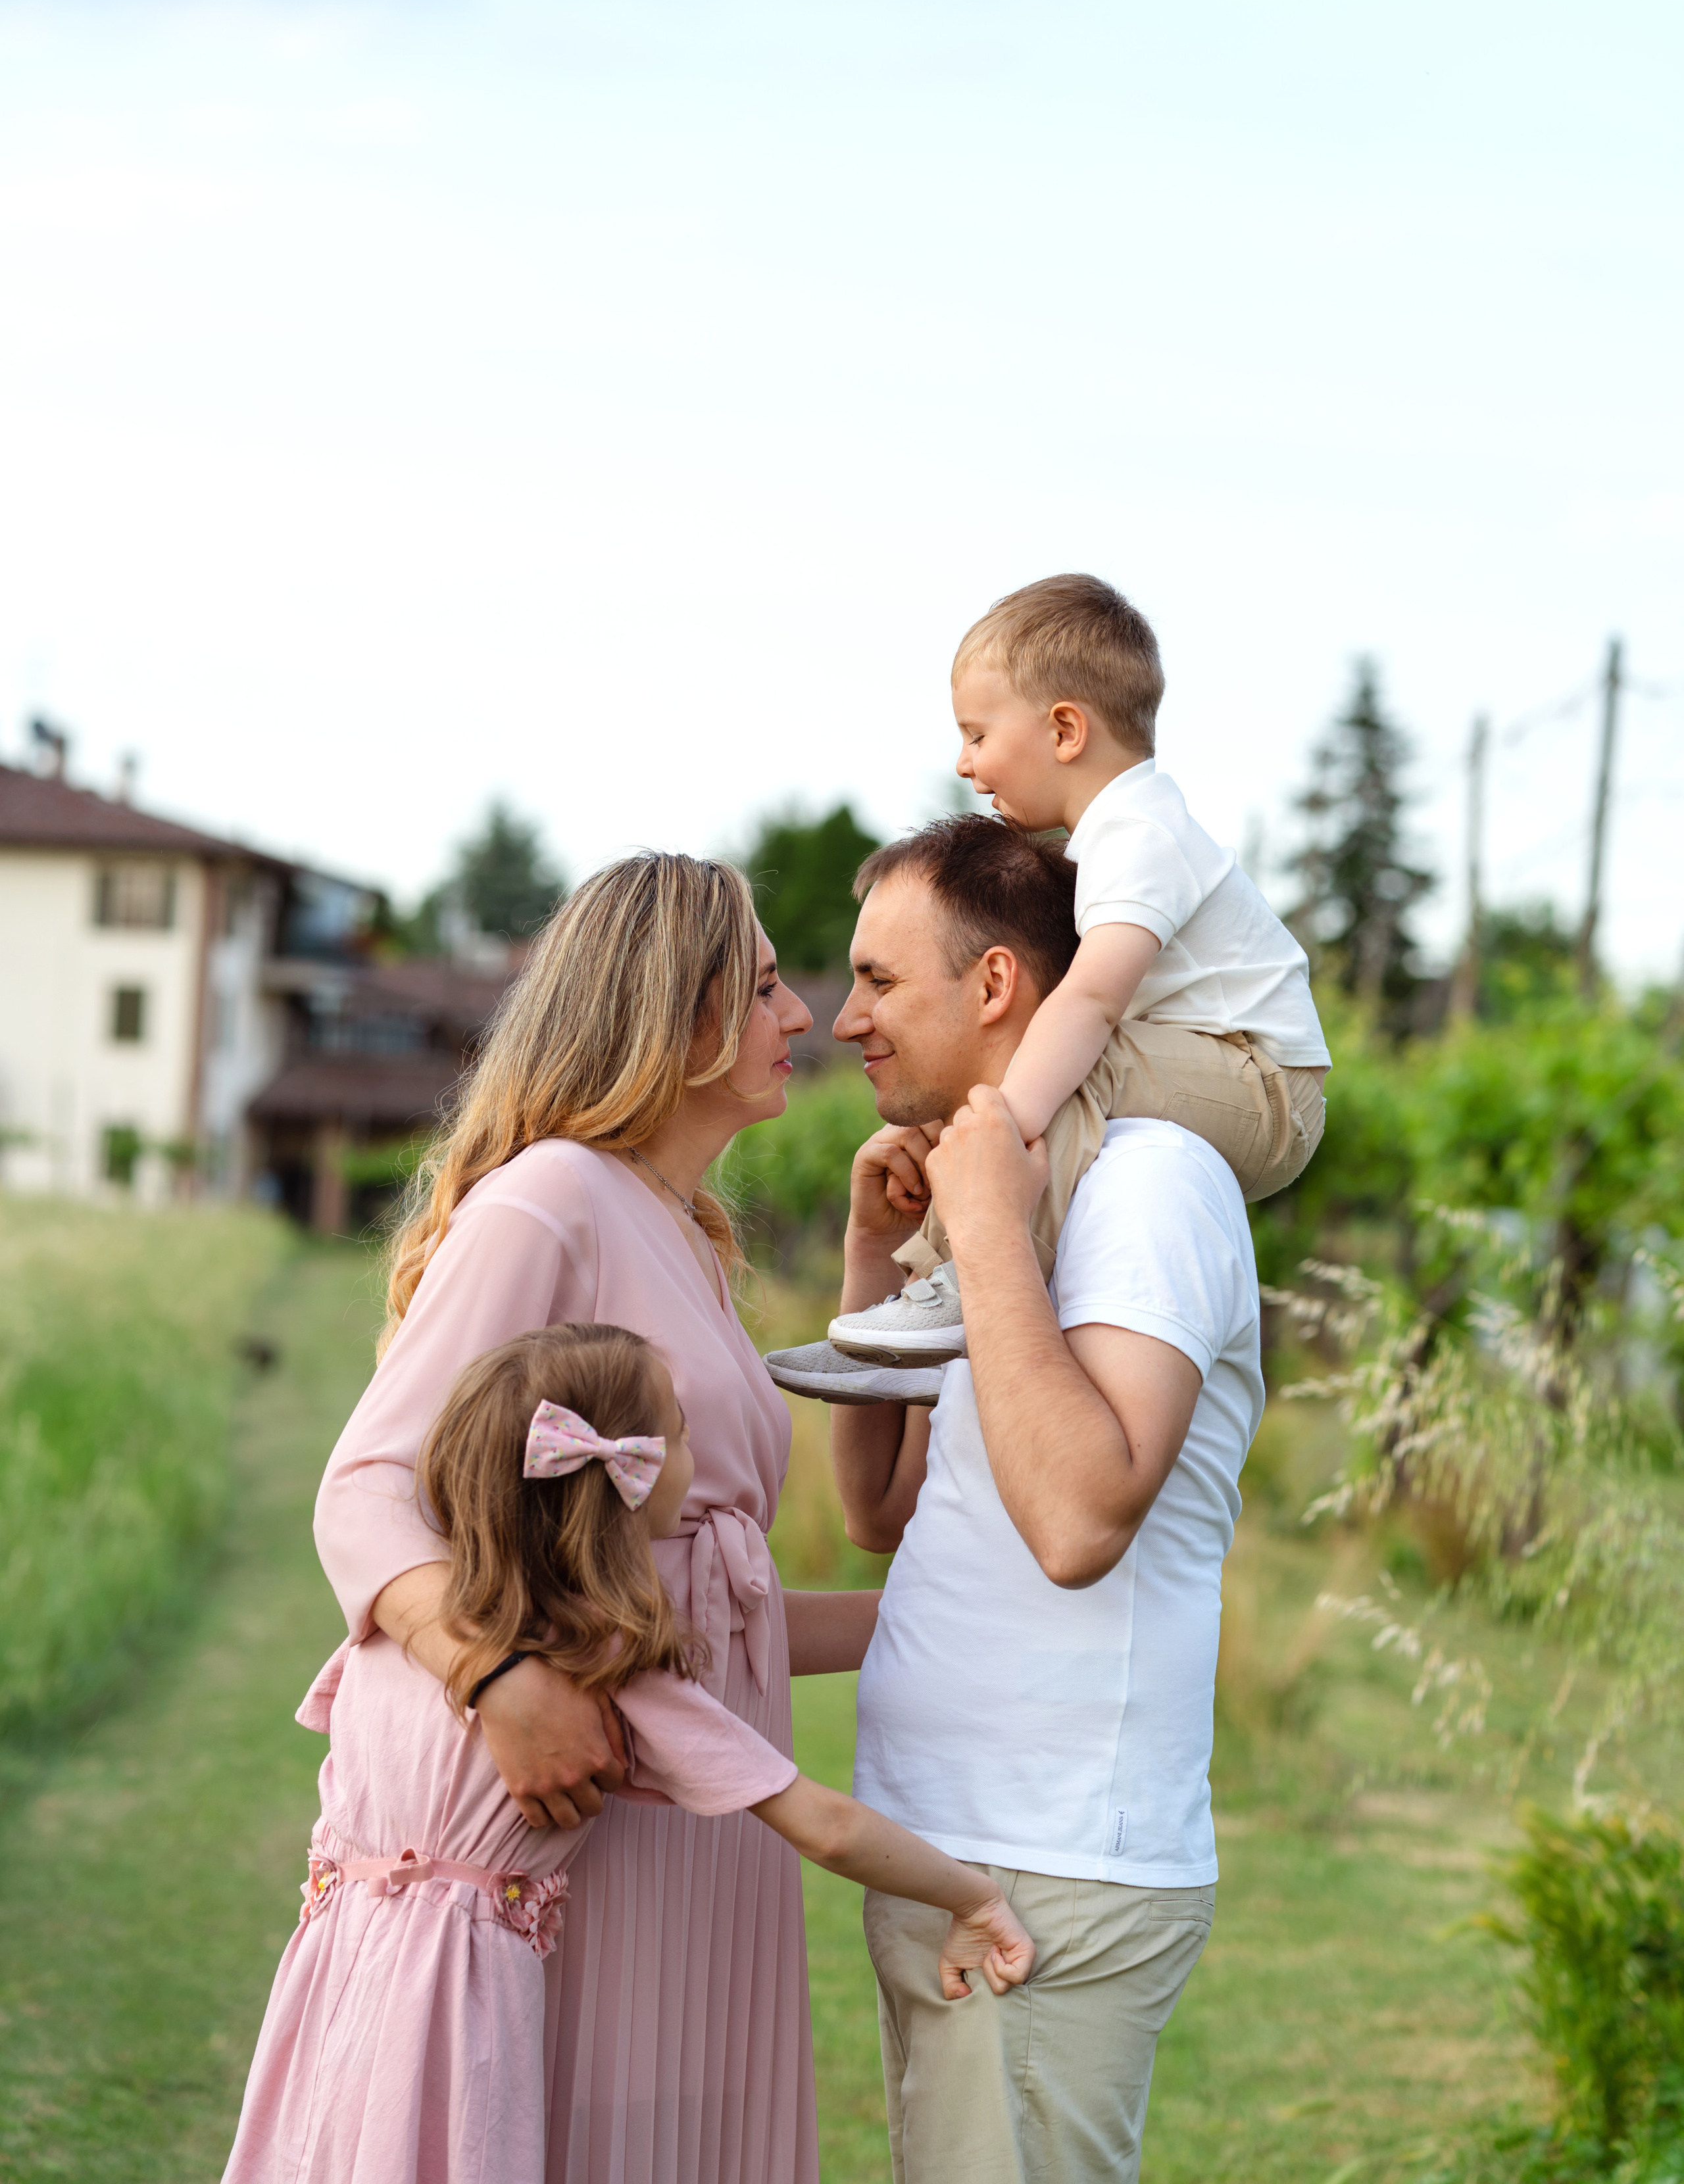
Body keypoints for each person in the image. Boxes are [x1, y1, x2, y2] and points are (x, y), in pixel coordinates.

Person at [311, 852, 870, 2184]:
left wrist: (959, 1609)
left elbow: (702, 1603)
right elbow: (364, 1491)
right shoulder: (549, 1202)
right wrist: (494, 1673)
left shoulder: (682, 1233)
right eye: (765, 985)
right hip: (595, 1829)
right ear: (669, 1016)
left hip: (701, 1821)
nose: (802, 1018)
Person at [225, 1324, 1031, 2184]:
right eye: (683, 1434)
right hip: (460, 2008)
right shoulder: (600, 1668)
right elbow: (825, 1826)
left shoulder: (389, 1636)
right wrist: (972, 1897)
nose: (694, 1457)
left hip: (332, 1977)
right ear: (628, 1475)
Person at [828, 817, 1264, 2183]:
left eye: (878, 982)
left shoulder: (1145, 1184)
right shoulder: (1015, 1183)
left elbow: (1080, 1519)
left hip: (1046, 1867)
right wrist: (871, 1246)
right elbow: (878, 1510)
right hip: (955, 1848)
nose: (846, 1020)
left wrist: (981, 1235)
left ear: (998, 986)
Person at [828, 571, 1327, 1364]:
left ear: (1064, 731)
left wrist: (996, 1127)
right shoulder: (1112, 839)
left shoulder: (1139, 835)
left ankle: (959, 1278)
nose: (964, 761)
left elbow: (1091, 1002)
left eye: (978, 734)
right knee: (1019, 1074)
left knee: (1053, 1072)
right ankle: (924, 1301)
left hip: (1265, 1087)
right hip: (1220, 1069)